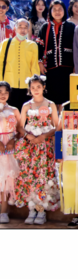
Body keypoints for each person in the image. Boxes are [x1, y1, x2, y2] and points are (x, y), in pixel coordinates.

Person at [14, 75, 60, 225]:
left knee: (43, 176)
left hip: (45, 146)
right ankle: (32, 209)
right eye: (32, 87)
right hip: (30, 145)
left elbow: (56, 126)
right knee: (30, 176)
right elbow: (20, 126)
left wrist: (44, 136)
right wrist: (29, 136)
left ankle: (41, 210)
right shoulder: (26, 106)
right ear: (29, 89)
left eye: (38, 87)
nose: (35, 90)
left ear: (43, 87)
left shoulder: (50, 104)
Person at [36, 0, 75, 113]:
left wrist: (75, 65)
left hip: (67, 68)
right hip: (50, 69)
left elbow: (77, 47)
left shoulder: (71, 26)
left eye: (60, 9)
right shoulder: (45, 27)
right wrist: (40, 62)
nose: (57, 12)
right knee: (52, 96)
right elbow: (39, 46)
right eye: (55, 9)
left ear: (64, 11)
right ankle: (53, 120)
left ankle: (63, 120)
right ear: (50, 11)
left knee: (65, 97)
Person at [0, 18, 40, 111]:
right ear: (15, 28)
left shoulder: (32, 45)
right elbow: (1, 64)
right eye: (20, 27)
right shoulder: (6, 43)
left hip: (26, 85)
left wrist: (35, 86)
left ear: (28, 30)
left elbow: (34, 66)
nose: (23, 30)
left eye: (25, 27)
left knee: (25, 112)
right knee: (8, 112)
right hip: (9, 84)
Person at [0, 82, 22, 224]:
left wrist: (13, 140)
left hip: (9, 148)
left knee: (7, 178)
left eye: (6, 92)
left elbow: (20, 130)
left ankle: (3, 211)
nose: (3, 95)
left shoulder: (14, 110)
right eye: (0, 92)